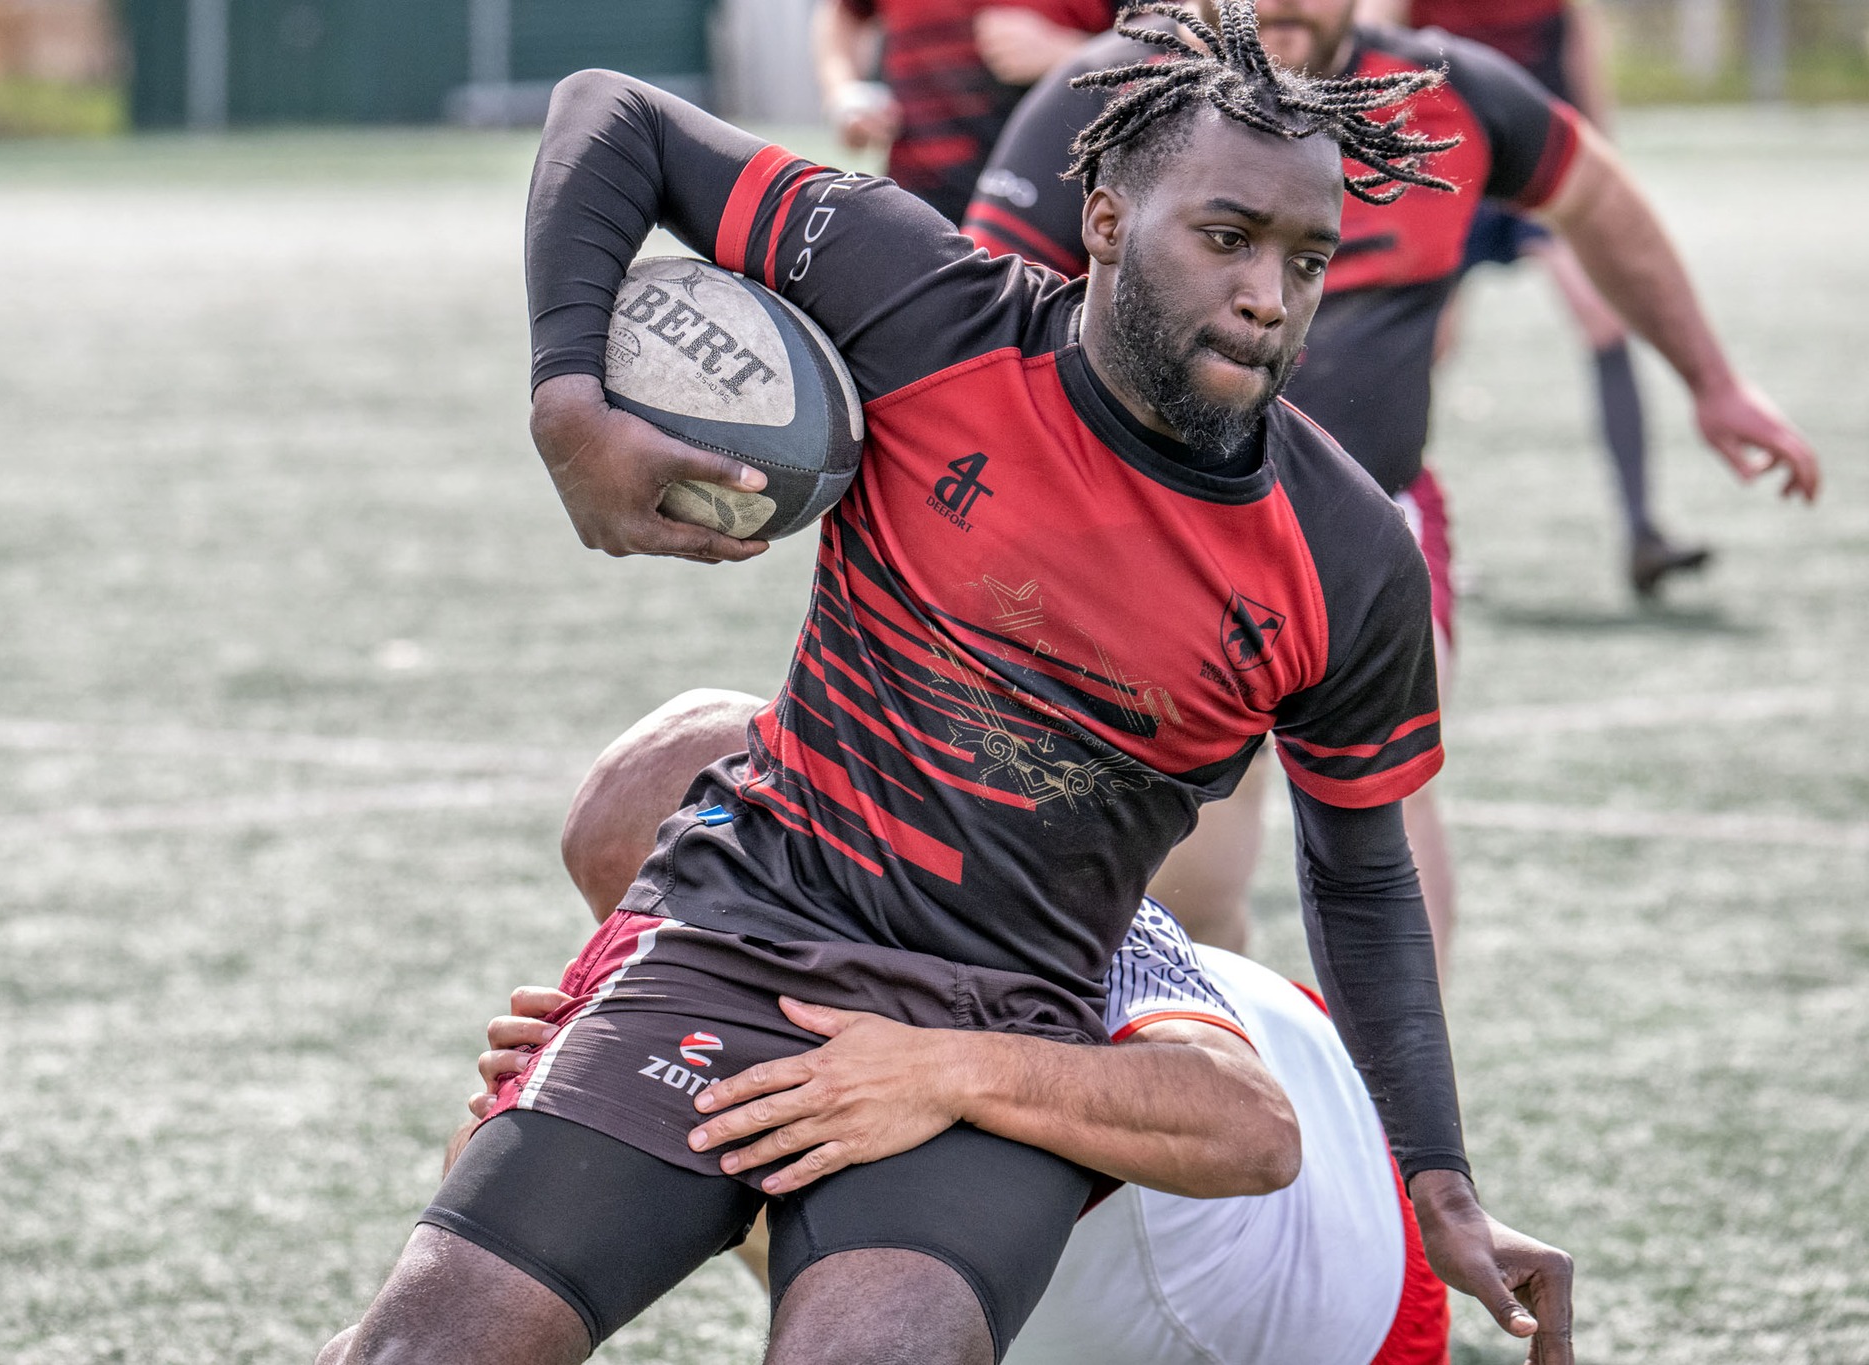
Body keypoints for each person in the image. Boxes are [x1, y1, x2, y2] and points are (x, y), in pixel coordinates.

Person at [321, 6, 1571, 1361]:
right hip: (738, 942)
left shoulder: (1346, 551)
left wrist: (1438, 1181)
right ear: (1103, 221)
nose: (1272, 295)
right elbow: (611, 115)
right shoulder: (929, 308)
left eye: (1307, 256)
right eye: (1228, 237)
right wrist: (569, 398)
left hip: (1001, 1022)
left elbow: (1362, 873)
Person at [962, 0, 1821, 961]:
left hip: (1376, 533)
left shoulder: (1450, 96)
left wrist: (1714, 383)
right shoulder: (1105, 94)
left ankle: (1391, 1109)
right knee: (1185, 888)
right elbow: (981, 312)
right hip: (1155, 534)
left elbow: (1596, 201)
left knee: (1386, 821)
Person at [448, 688, 1460, 1365]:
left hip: (1333, 1268)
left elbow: (1249, 1129)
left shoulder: (1021, 890)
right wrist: (559, 1107)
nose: (661, 942)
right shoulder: (728, 948)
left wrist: (946, 1071)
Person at [1362, 0, 1711, 597]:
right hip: (1447, 157)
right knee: (1425, 340)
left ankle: (1642, 532)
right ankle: (1380, 523)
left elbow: (1579, 38)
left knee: (1603, 317)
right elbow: (1376, 36)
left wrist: (1604, 161)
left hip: (1537, 158)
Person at [812, 0, 1127, 222]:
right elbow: (844, 14)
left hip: (1059, 215)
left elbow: (1167, 46)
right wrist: (844, 93)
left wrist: (1068, 53)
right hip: (919, 206)